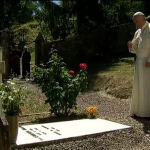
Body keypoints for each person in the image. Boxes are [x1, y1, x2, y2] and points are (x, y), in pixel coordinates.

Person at [128, 12, 150, 117]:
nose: (135, 23)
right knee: (139, 87)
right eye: (134, 21)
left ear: (142, 19)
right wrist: (131, 46)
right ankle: (139, 111)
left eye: (136, 21)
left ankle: (147, 112)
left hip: (148, 63)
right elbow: (135, 49)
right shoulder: (138, 32)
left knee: (147, 87)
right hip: (139, 62)